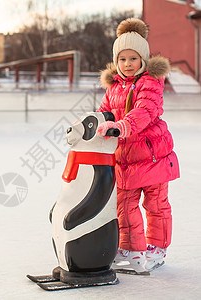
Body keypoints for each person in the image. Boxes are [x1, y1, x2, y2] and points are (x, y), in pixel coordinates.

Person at [96, 18, 180, 273]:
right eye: (122, 59)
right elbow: (104, 112)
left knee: (155, 204)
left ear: (143, 60)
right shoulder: (114, 87)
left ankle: (156, 248)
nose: (128, 64)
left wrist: (121, 126)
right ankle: (132, 250)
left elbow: (144, 111)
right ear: (116, 61)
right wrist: (92, 125)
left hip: (152, 155)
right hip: (125, 157)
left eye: (133, 59)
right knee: (124, 205)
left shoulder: (150, 83)